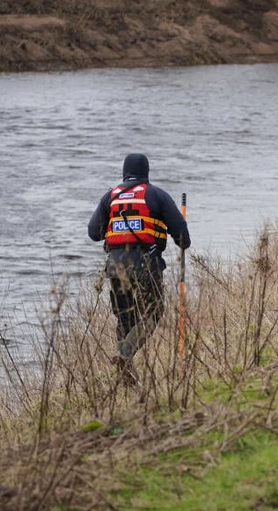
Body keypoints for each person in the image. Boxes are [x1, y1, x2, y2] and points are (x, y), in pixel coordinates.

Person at [88, 153, 190, 384]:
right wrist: (180, 240)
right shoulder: (156, 195)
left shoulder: (110, 197)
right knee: (152, 314)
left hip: (115, 268)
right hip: (146, 267)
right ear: (146, 173)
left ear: (124, 172)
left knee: (125, 319)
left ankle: (126, 379)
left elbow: (94, 233)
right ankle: (125, 355)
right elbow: (183, 238)